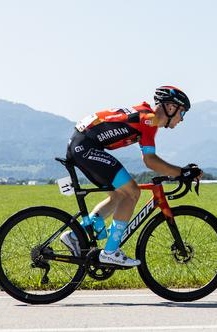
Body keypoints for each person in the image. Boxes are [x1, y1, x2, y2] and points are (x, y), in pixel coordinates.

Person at [60, 86, 202, 267]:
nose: (182, 120)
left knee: (120, 194)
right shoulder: (149, 120)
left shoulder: (148, 119)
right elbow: (150, 161)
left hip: (82, 144)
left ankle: (74, 235)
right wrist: (182, 172)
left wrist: (180, 172)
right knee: (133, 191)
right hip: (85, 147)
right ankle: (110, 252)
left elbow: (149, 159)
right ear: (171, 107)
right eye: (182, 113)